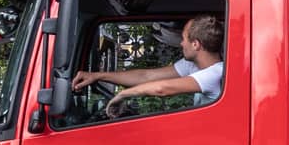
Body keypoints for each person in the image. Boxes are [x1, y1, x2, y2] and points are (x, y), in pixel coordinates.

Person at [73, 14, 225, 117]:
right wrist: (98, 76)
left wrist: (122, 95)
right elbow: (146, 76)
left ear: (195, 44)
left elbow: (162, 89)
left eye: (184, 39)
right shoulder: (193, 65)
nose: (180, 43)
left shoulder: (217, 73)